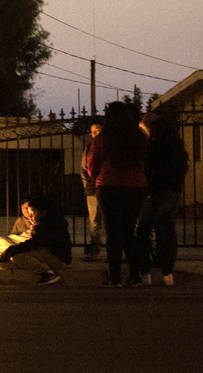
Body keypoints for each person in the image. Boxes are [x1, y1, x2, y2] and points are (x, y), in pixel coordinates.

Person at [87, 100, 149, 287]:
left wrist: (99, 174)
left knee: (113, 232)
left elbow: (91, 166)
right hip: (135, 187)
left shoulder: (103, 137)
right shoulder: (138, 136)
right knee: (129, 231)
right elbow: (146, 160)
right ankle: (135, 276)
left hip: (109, 186)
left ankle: (114, 277)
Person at [136, 113, 189, 286]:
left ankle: (145, 271)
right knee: (167, 232)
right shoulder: (178, 147)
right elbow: (182, 168)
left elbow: (149, 170)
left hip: (157, 193)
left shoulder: (155, 146)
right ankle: (167, 272)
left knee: (142, 231)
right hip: (173, 193)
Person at [0, 194, 72, 285]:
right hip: (55, 255)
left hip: (58, 259)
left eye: (33, 213)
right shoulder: (51, 221)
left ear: (43, 212)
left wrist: (11, 250)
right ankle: (47, 271)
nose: (31, 216)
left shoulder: (48, 225)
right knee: (19, 253)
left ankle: (48, 274)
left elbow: (33, 243)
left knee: (18, 256)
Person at [81, 120, 105, 260]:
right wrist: (87, 185)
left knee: (107, 220)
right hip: (93, 188)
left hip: (106, 186)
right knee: (95, 221)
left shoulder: (108, 146)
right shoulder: (89, 146)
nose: (94, 134)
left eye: (97, 131)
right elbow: (83, 168)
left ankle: (113, 250)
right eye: (93, 131)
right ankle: (95, 250)